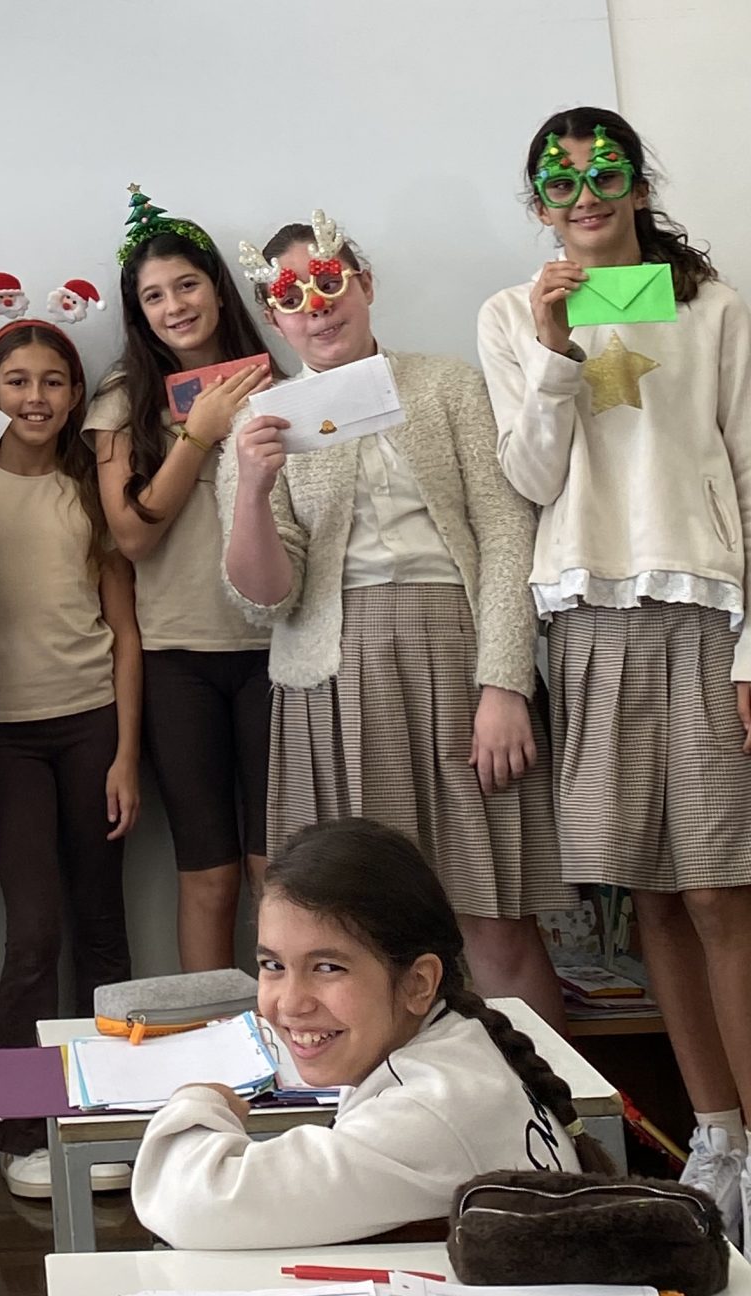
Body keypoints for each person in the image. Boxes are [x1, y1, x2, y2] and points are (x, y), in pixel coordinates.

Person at [479, 107, 751, 1236]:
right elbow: (529, 480)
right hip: (588, 617)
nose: (584, 195)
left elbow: (749, 463)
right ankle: (719, 1138)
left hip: (704, 609)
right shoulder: (512, 313)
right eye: (561, 180)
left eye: (604, 173)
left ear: (639, 184)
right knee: (651, 892)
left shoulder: (712, 305)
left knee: (721, 888)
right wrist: (553, 351)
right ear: (538, 201)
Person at [222, 212, 566, 1016]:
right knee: (352, 936)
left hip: (460, 664)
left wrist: (506, 685)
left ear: (365, 285)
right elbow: (262, 599)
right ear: (274, 317)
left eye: (329, 283)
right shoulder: (260, 424)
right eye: (292, 298)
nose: (317, 309)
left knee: (495, 921)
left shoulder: (447, 386)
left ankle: (536, 1096)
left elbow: (507, 533)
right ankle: (378, 1098)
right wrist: (252, 490)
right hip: (333, 683)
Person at [132, 817, 598, 1247]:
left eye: (328, 967)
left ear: (418, 983)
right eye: (273, 965)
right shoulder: (451, 1043)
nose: (290, 1003)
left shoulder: (427, 1111)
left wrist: (200, 1103)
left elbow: (192, 1204)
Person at [0, 293, 142, 1203]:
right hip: (5, 735)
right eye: (16, 381)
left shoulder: (88, 487)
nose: (34, 397)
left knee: (102, 932)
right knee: (34, 935)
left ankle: (110, 1118)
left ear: (76, 394)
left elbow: (125, 632)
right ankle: (18, 1131)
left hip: (91, 727)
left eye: (51, 382)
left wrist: (126, 754)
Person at [91, 184, 276, 971]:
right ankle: (212, 1045)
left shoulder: (278, 382)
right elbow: (130, 536)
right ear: (139, 314)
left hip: (276, 651)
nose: (175, 307)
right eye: (154, 296)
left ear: (218, 288)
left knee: (280, 872)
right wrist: (197, 436)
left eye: (188, 285)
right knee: (209, 876)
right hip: (176, 660)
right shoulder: (120, 400)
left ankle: (294, 1030)